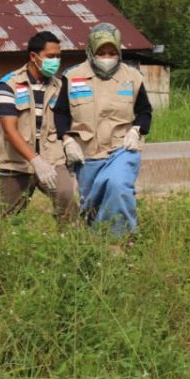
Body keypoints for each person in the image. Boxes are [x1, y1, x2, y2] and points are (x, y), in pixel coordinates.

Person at [54, 22, 152, 237]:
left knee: (118, 186)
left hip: (121, 148)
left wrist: (137, 130)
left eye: (111, 52)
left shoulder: (133, 77)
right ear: (90, 51)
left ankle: (120, 242)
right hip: (87, 153)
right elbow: (60, 113)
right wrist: (67, 140)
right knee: (91, 203)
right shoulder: (72, 77)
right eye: (101, 52)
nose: (106, 57)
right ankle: (97, 245)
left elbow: (145, 111)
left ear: (119, 52)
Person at [0, 31, 75, 218]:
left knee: (66, 198)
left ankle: (69, 243)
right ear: (33, 56)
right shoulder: (9, 84)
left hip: (53, 160)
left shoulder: (60, 87)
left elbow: (66, 122)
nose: (56, 61)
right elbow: (9, 128)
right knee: (11, 217)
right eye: (50, 56)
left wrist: (69, 145)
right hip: (16, 163)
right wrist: (35, 160)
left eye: (58, 57)